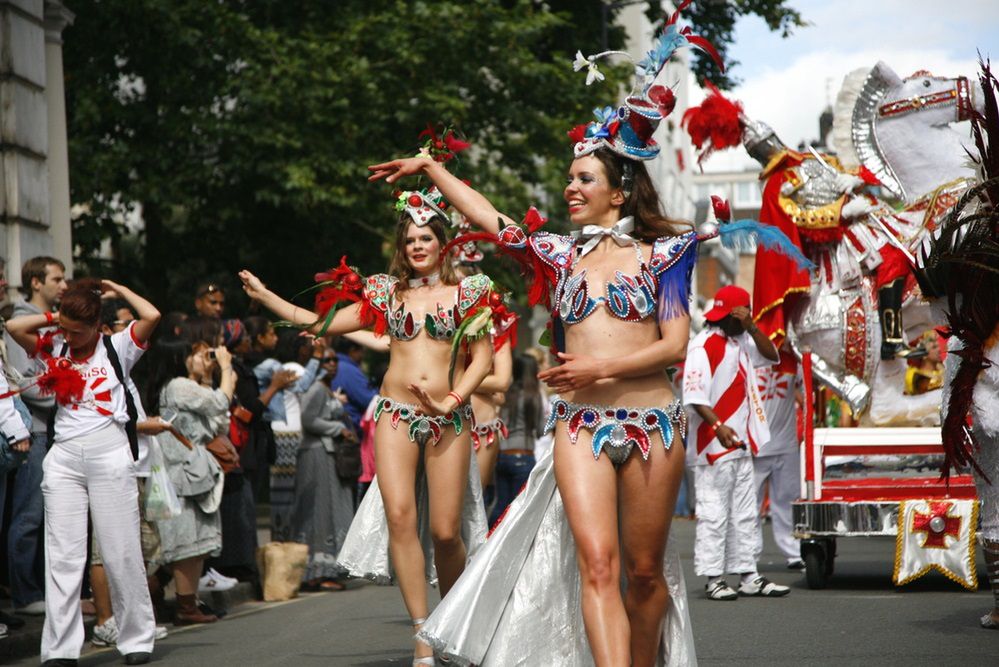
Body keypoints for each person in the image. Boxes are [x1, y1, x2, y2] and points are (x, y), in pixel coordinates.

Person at [368, 24, 730, 664]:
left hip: (654, 422)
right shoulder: (559, 256)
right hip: (579, 426)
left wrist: (603, 363)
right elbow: (490, 220)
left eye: (583, 179)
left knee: (643, 576)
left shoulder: (669, 253)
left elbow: (675, 344)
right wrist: (432, 168)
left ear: (619, 191)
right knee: (596, 564)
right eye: (569, 178)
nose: (570, 188)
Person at [239, 161, 496, 664]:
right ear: (401, 248)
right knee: (401, 516)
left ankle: (454, 618)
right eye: (410, 240)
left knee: (446, 530)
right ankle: (423, 632)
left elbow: (483, 357)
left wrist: (453, 399)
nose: (417, 246)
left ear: (442, 242)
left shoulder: (471, 292)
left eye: (426, 237)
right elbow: (322, 322)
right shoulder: (385, 293)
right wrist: (268, 295)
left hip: (448, 415)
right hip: (396, 413)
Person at [7, 278, 159, 665]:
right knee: (63, 556)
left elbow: (152, 314)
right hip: (64, 459)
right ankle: (60, 649)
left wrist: (118, 291)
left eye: (79, 331)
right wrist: (54, 317)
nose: (71, 338)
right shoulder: (54, 346)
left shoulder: (118, 347)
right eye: (66, 329)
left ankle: (137, 638)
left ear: (98, 326)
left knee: (120, 550)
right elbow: (12, 327)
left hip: (109, 454)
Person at [683, 285, 789, 601]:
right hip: (712, 447)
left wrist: (753, 327)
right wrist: (717, 426)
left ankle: (748, 575)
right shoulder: (704, 346)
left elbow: (772, 355)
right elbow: (693, 395)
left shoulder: (742, 341)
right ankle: (714, 577)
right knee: (714, 512)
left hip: (741, 444)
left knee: (745, 513)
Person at [144, 331, 232, 626]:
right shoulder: (179, 386)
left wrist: (207, 378)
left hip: (185, 472)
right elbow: (221, 403)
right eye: (194, 354)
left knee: (194, 542)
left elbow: (221, 423)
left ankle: (171, 597)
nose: (202, 359)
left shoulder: (181, 387)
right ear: (177, 359)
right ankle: (184, 606)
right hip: (183, 474)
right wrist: (227, 367)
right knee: (187, 543)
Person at [3, 256, 67, 618]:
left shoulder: (57, 323)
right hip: (35, 432)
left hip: (56, 430)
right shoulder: (23, 321)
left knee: (49, 515)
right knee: (28, 515)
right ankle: (25, 594)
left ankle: (44, 589)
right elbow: (22, 380)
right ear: (36, 282)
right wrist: (65, 397)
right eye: (56, 279)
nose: (63, 285)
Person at [289, 350, 356, 591]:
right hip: (316, 453)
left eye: (335, 359)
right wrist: (338, 428)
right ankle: (316, 572)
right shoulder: (316, 388)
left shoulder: (327, 388)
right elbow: (308, 420)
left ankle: (329, 568)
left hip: (328, 454)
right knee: (320, 513)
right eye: (326, 360)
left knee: (331, 511)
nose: (332, 364)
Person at [267, 328, 324, 540]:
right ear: (300, 349)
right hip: (288, 435)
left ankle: (281, 536)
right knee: (286, 490)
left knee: (283, 489)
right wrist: (318, 358)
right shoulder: (292, 368)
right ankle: (283, 538)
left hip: (284, 433)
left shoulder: (286, 367)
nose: (312, 349)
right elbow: (305, 385)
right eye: (309, 346)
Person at [754, 342, 804, 570]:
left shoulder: (792, 359)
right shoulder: (750, 354)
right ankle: (748, 557)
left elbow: (804, 391)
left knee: (788, 500)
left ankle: (794, 552)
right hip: (755, 445)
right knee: (749, 505)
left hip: (786, 443)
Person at [489, 353, 544, 526]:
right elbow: (541, 430)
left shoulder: (507, 395)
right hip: (524, 455)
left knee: (500, 506)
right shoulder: (534, 395)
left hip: (502, 456)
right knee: (519, 508)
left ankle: (488, 542)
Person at [328, 337, 377, 435]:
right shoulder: (348, 370)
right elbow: (370, 401)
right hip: (350, 430)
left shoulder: (333, 364)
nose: (362, 355)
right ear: (352, 351)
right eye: (361, 351)